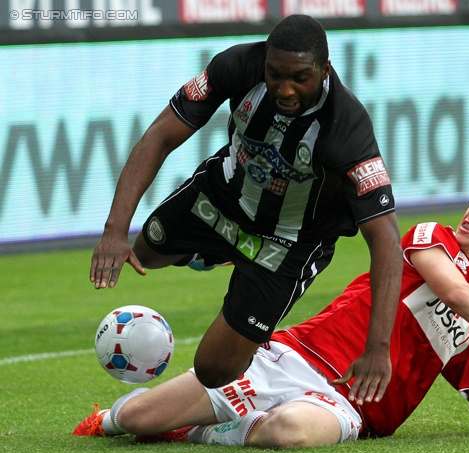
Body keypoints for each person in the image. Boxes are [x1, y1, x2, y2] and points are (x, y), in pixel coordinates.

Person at [74, 174, 469, 447]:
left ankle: (205, 429)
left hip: (349, 407)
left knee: (292, 433)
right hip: (293, 356)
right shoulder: (433, 239)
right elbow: (457, 294)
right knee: (137, 421)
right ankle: (118, 416)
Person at [89, 14, 403, 398]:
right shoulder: (236, 65)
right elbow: (159, 136)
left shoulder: (347, 128)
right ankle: (214, 253)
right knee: (146, 253)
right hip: (223, 195)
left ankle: (235, 259)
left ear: (324, 71)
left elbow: (386, 237)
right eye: (275, 74)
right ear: (264, 62)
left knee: (213, 370)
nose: (284, 89)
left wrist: (378, 348)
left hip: (289, 242)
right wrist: (115, 230)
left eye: (300, 78)